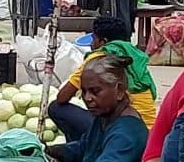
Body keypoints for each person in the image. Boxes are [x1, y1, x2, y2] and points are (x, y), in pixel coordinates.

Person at [53, 54, 149, 162]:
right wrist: (48, 151)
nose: (87, 98)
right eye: (84, 92)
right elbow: (83, 148)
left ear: (119, 91)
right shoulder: (104, 119)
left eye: (95, 91)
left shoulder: (127, 132)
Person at [48, 14, 157, 144]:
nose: (91, 44)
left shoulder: (98, 60)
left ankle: (82, 148)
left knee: (56, 108)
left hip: (123, 131)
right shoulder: (136, 56)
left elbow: (62, 97)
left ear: (103, 42)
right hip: (149, 132)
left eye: (93, 39)